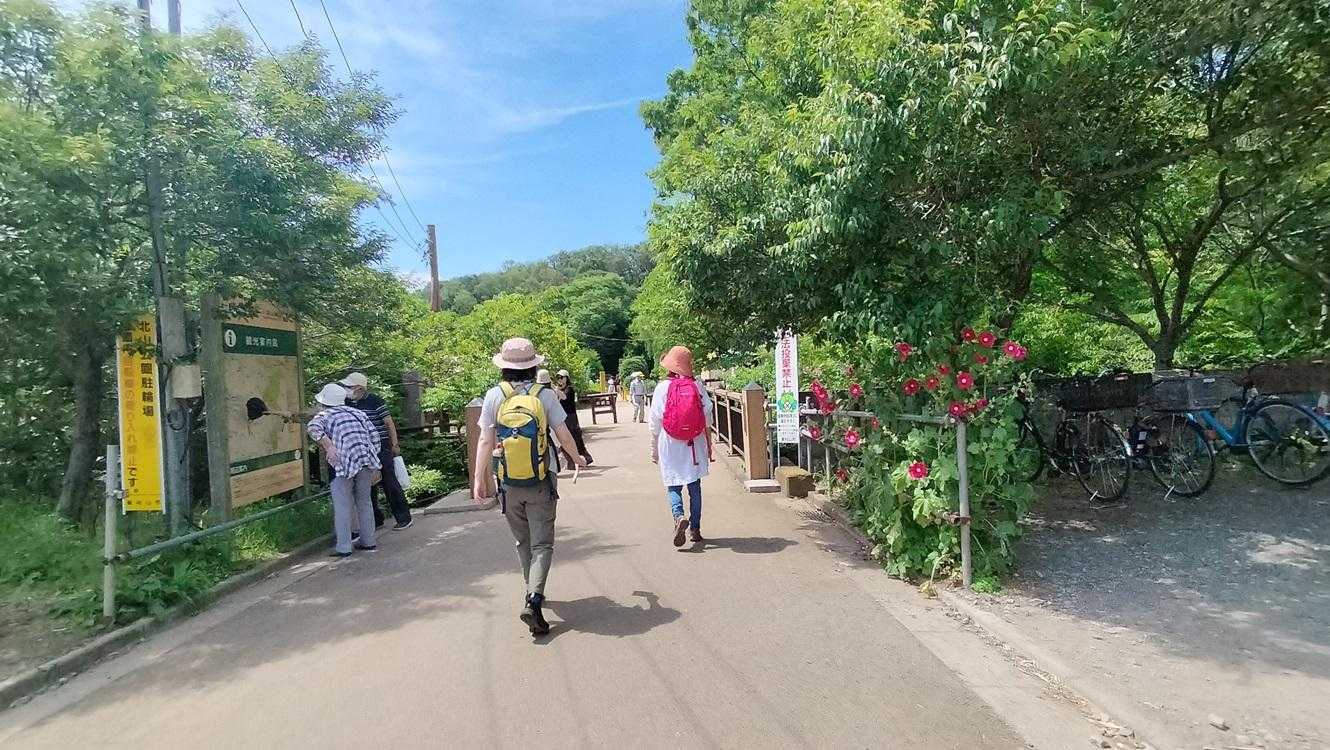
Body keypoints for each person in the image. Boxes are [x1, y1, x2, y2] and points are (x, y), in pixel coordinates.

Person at [473, 338, 587, 636]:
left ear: (503, 367)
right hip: (541, 478)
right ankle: (533, 599)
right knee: (542, 544)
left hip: (508, 481)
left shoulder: (494, 395)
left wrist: (478, 479)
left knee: (522, 542)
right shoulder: (544, 395)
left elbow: (485, 440)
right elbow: (563, 434)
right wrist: (577, 458)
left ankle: (531, 591)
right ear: (534, 366)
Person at [649, 346, 714, 547]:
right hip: (694, 443)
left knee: (673, 484)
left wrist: (653, 449)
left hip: (670, 442)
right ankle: (695, 529)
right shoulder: (697, 385)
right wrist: (709, 444)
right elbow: (708, 415)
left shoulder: (662, 388)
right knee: (694, 486)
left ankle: (678, 517)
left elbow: (655, 421)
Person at [308, 383, 382, 558]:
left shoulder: (325, 415)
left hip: (342, 464)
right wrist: (374, 462)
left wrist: (329, 445)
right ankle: (369, 541)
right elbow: (375, 437)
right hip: (365, 461)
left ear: (324, 402)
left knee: (342, 504)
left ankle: (344, 547)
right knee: (364, 502)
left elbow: (312, 427)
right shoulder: (358, 413)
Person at [340, 372, 413, 531]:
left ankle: (403, 518)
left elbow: (389, 423)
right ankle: (375, 519)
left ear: (359, 388)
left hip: (381, 446)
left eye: (349, 386)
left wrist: (394, 444)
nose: (346, 389)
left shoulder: (375, 401)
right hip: (361, 449)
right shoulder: (347, 403)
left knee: (389, 481)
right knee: (366, 484)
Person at [553, 369, 593, 465]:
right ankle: (572, 462)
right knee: (565, 439)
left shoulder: (569, 389)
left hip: (570, 417)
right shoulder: (560, 390)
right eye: (558, 378)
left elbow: (564, 397)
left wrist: (555, 388)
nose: (560, 379)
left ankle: (584, 459)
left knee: (575, 438)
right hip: (563, 417)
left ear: (567, 378)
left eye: (562, 377)